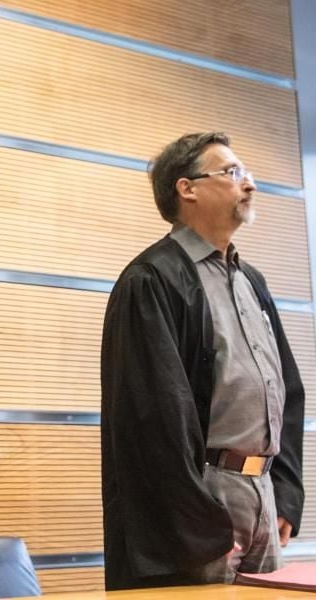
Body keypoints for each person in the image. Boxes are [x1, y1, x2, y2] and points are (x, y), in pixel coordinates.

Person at [100, 132, 305, 590]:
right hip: (201, 507)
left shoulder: (251, 279)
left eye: (246, 173)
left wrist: (287, 493)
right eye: (232, 173)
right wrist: (201, 523)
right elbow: (153, 418)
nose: (248, 184)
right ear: (186, 188)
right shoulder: (151, 279)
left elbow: (286, 390)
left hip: (262, 498)